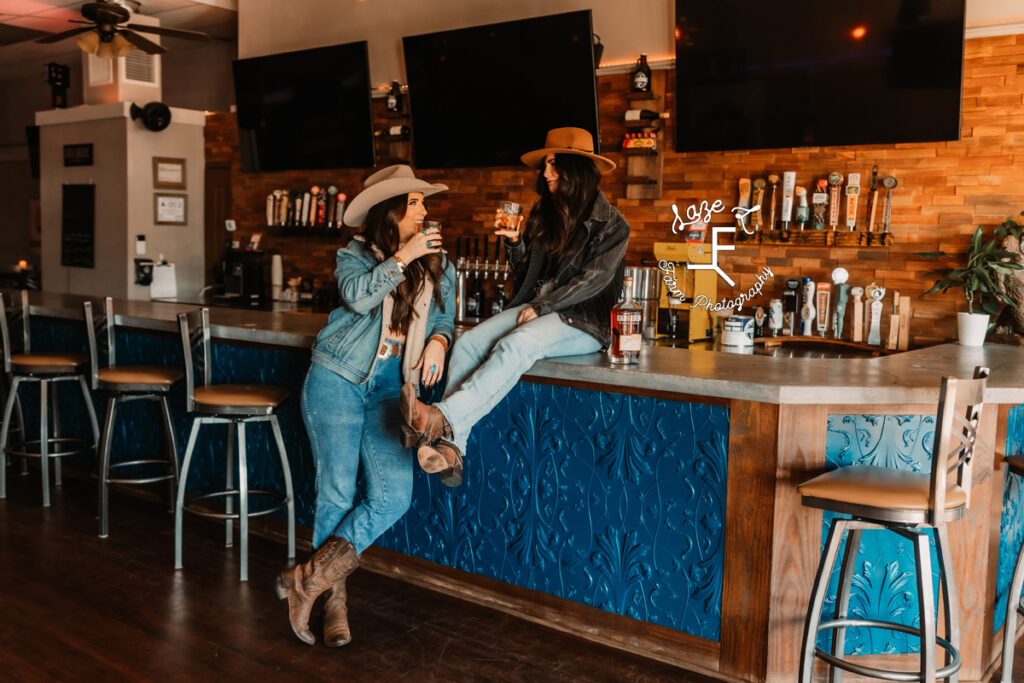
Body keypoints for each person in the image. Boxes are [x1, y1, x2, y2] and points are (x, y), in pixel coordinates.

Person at [275, 165, 455, 648]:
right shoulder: (353, 255)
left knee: (394, 496)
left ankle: (307, 581)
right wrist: (403, 256)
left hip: (388, 388)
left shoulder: (437, 260)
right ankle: (334, 601)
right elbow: (357, 299)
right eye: (415, 203)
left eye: (423, 203)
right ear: (391, 211)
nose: (424, 210)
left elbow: (445, 313)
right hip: (337, 377)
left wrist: (439, 339)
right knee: (334, 493)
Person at [400, 127, 630, 486]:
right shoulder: (547, 211)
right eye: (547, 166)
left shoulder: (613, 225)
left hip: (584, 321)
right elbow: (528, 277)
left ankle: (439, 420)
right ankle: (450, 448)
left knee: (517, 344)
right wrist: (515, 244)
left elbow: (594, 281)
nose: (547, 173)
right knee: (469, 343)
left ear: (577, 170)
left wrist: (543, 306)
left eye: (554, 165)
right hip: (542, 306)